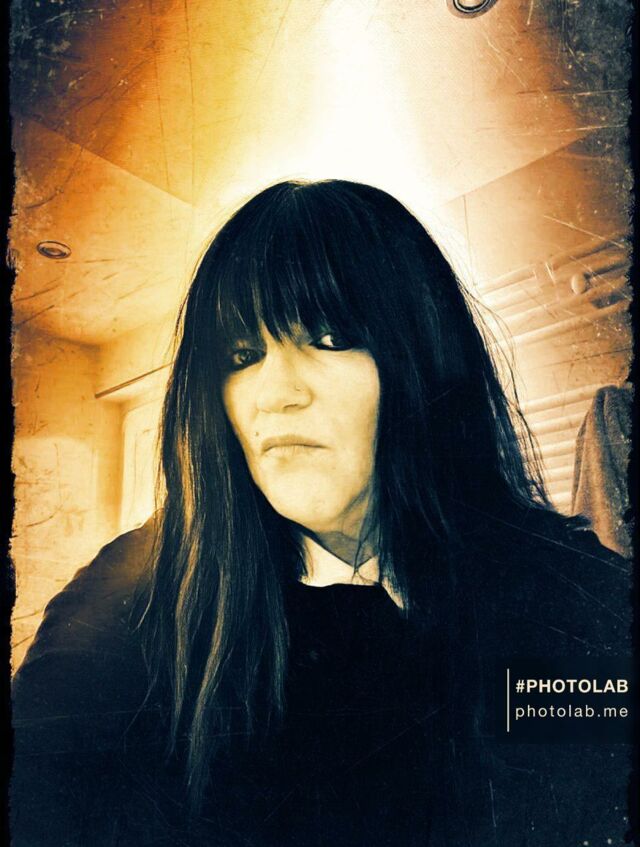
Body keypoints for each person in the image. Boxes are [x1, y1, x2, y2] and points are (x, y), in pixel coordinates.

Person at [11, 180, 633, 846]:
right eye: (243, 356)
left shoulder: (572, 594)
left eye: (331, 337)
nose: (275, 393)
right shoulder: (126, 601)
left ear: (423, 358)